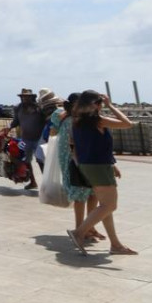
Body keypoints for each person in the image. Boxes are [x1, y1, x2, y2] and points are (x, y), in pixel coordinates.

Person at [67, 91, 137, 256]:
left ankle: (115, 244)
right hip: (98, 166)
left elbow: (92, 145)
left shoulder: (77, 121)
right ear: (95, 104)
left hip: (89, 166)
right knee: (110, 205)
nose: (101, 105)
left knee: (105, 206)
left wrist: (112, 164)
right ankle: (79, 232)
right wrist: (111, 105)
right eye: (99, 103)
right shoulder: (97, 121)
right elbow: (127, 123)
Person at [50, 92, 104, 245]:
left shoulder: (84, 119)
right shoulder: (65, 118)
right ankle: (80, 228)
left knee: (92, 193)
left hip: (88, 160)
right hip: (73, 160)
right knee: (80, 193)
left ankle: (89, 226)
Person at [3, 88, 47, 190]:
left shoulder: (39, 108)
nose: (24, 99)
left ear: (32, 98)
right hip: (25, 139)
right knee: (25, 161)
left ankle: (46, 184)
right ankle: (33, 182)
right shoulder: (18, 108)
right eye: (23, 97)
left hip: (39, 139)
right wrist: (9, 127)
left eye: (27, 97)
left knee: (41, 161)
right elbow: (15, 121)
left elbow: (46, 121)